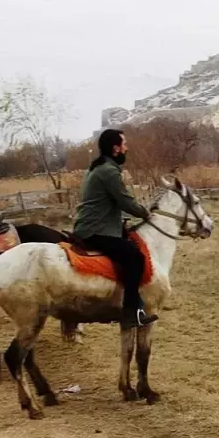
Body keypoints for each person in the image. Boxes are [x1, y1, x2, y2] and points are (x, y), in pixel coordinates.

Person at [72, 129, 158, 329]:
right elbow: (124, 201)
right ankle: (131, 312)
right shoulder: (109, 171)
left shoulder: (96, 168)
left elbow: (108, 204)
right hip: (96, 230)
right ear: (115, 148)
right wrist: (146, 213)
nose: (127, 148)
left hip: (93, 225)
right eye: (124, 144)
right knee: (135, 258)